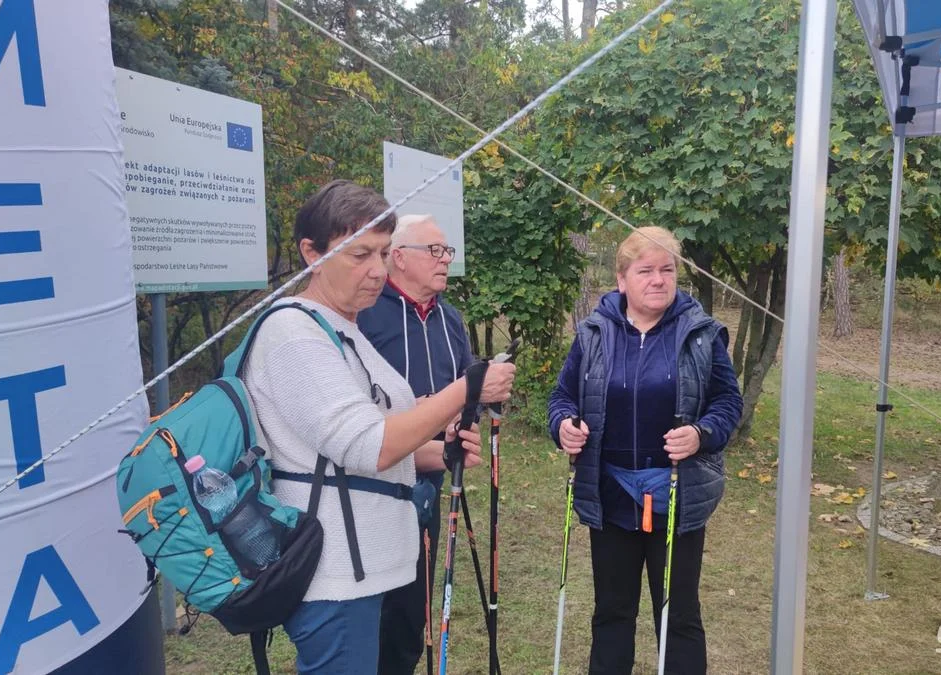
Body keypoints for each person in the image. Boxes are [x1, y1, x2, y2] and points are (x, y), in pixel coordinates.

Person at [240, 180, 514, 674]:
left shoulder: (342, 326)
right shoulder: (294, 333)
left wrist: (438, 450)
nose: (375, 271)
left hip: (369, 563)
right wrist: (467, 389)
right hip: (335, 573)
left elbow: (365, 441)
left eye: (383, 253)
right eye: (360, 254)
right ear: (311, 253)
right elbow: (368, 446)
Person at [547, 225, 742, 675]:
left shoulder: (700, 333)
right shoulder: (594, 333)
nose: (658, 280)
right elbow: (562, 398)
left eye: (667, 270)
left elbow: (728, 402)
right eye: (646, 270)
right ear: (622, 279)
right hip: (611, 492)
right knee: (612, 612)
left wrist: (702, 433)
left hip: (677, 493)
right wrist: (564, 426)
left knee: (678, 615)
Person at [355, 213, 472, 675]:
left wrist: (461, 418)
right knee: (372, 613)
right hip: (371, 486)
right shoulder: (365, 313)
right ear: (399, 257)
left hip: (431, 481)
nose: (445, 261)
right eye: (436, 251)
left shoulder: (450, 318)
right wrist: (409, 417)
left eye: (448, 252)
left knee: (411, 609)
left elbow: (466, 388)